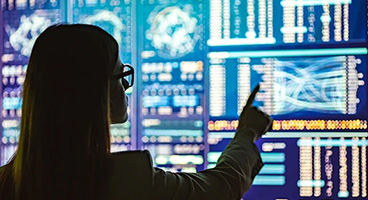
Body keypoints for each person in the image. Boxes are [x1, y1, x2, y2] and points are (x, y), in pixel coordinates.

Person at [0, 24, 272, 200]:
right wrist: (246, 132)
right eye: (121, 75)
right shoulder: (128, 182)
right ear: (96, 93)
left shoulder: (6, 183)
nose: (126, 86)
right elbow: (222, 188)